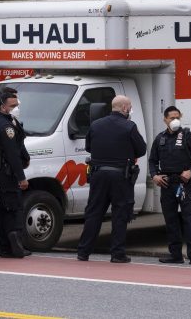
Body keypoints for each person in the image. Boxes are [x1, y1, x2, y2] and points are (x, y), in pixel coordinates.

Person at [77, 95, 147, 263]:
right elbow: (141, 149)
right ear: (124, 108)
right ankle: (117, 254)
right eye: (129, 107)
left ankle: (83, 252)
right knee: (120, 214)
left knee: (94, 213)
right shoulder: (129, 126)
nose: (130, 110)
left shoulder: (95, 125)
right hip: (120, 176)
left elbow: (88, 147)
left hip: (98, 174)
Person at [149, 105, 191, 265]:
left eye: (177, 117)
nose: (175, 120)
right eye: (171, 118)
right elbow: (152, 161)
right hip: (167, 184)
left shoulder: (188, 136)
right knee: (170, 220)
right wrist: (154, 175)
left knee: (189, 219)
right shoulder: (160, 138)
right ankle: (175, 254)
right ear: (165, 120)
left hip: (184, 184)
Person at [0, 88, 31, 258]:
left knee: (2, 209)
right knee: (13, 208)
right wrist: (21, 177)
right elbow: (12, 154)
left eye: (17, 104)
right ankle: (12, 245)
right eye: (13, 105)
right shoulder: (5, 126)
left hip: (1, 172)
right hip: (6, 173)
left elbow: (20, 144)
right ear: (3, 106)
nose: (16, 107)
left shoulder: (5, 120)